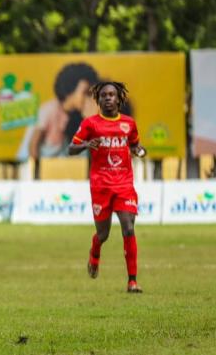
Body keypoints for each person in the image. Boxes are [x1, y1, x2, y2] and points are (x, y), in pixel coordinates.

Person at [69, 82, 147, 293]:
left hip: (124, 184)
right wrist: (85, 145)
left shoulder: (129, 123)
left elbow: (134, 145)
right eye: (104, 95)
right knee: (103, 234)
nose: (108, 98)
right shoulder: (90, 124)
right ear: (98, 99)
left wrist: (139, 150)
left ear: (119, 98)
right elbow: (71, 148)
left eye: (112, 95)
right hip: (101, 186)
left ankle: (132, 281)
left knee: (129, 227)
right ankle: (95, 252)